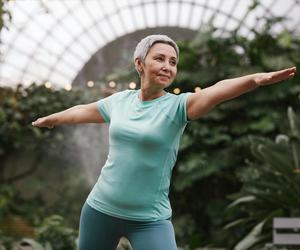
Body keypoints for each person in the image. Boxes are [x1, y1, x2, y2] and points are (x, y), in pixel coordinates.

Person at [32, 34, 296, 250]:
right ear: (140, 63)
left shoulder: (179, 107)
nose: (167, 66)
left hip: (149, 220)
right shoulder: (119, 101)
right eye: (160, 59)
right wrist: (51, 118)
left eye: (173, 61)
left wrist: (254, 80)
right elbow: (81, 111)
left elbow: (217, 91)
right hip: (100, 209)